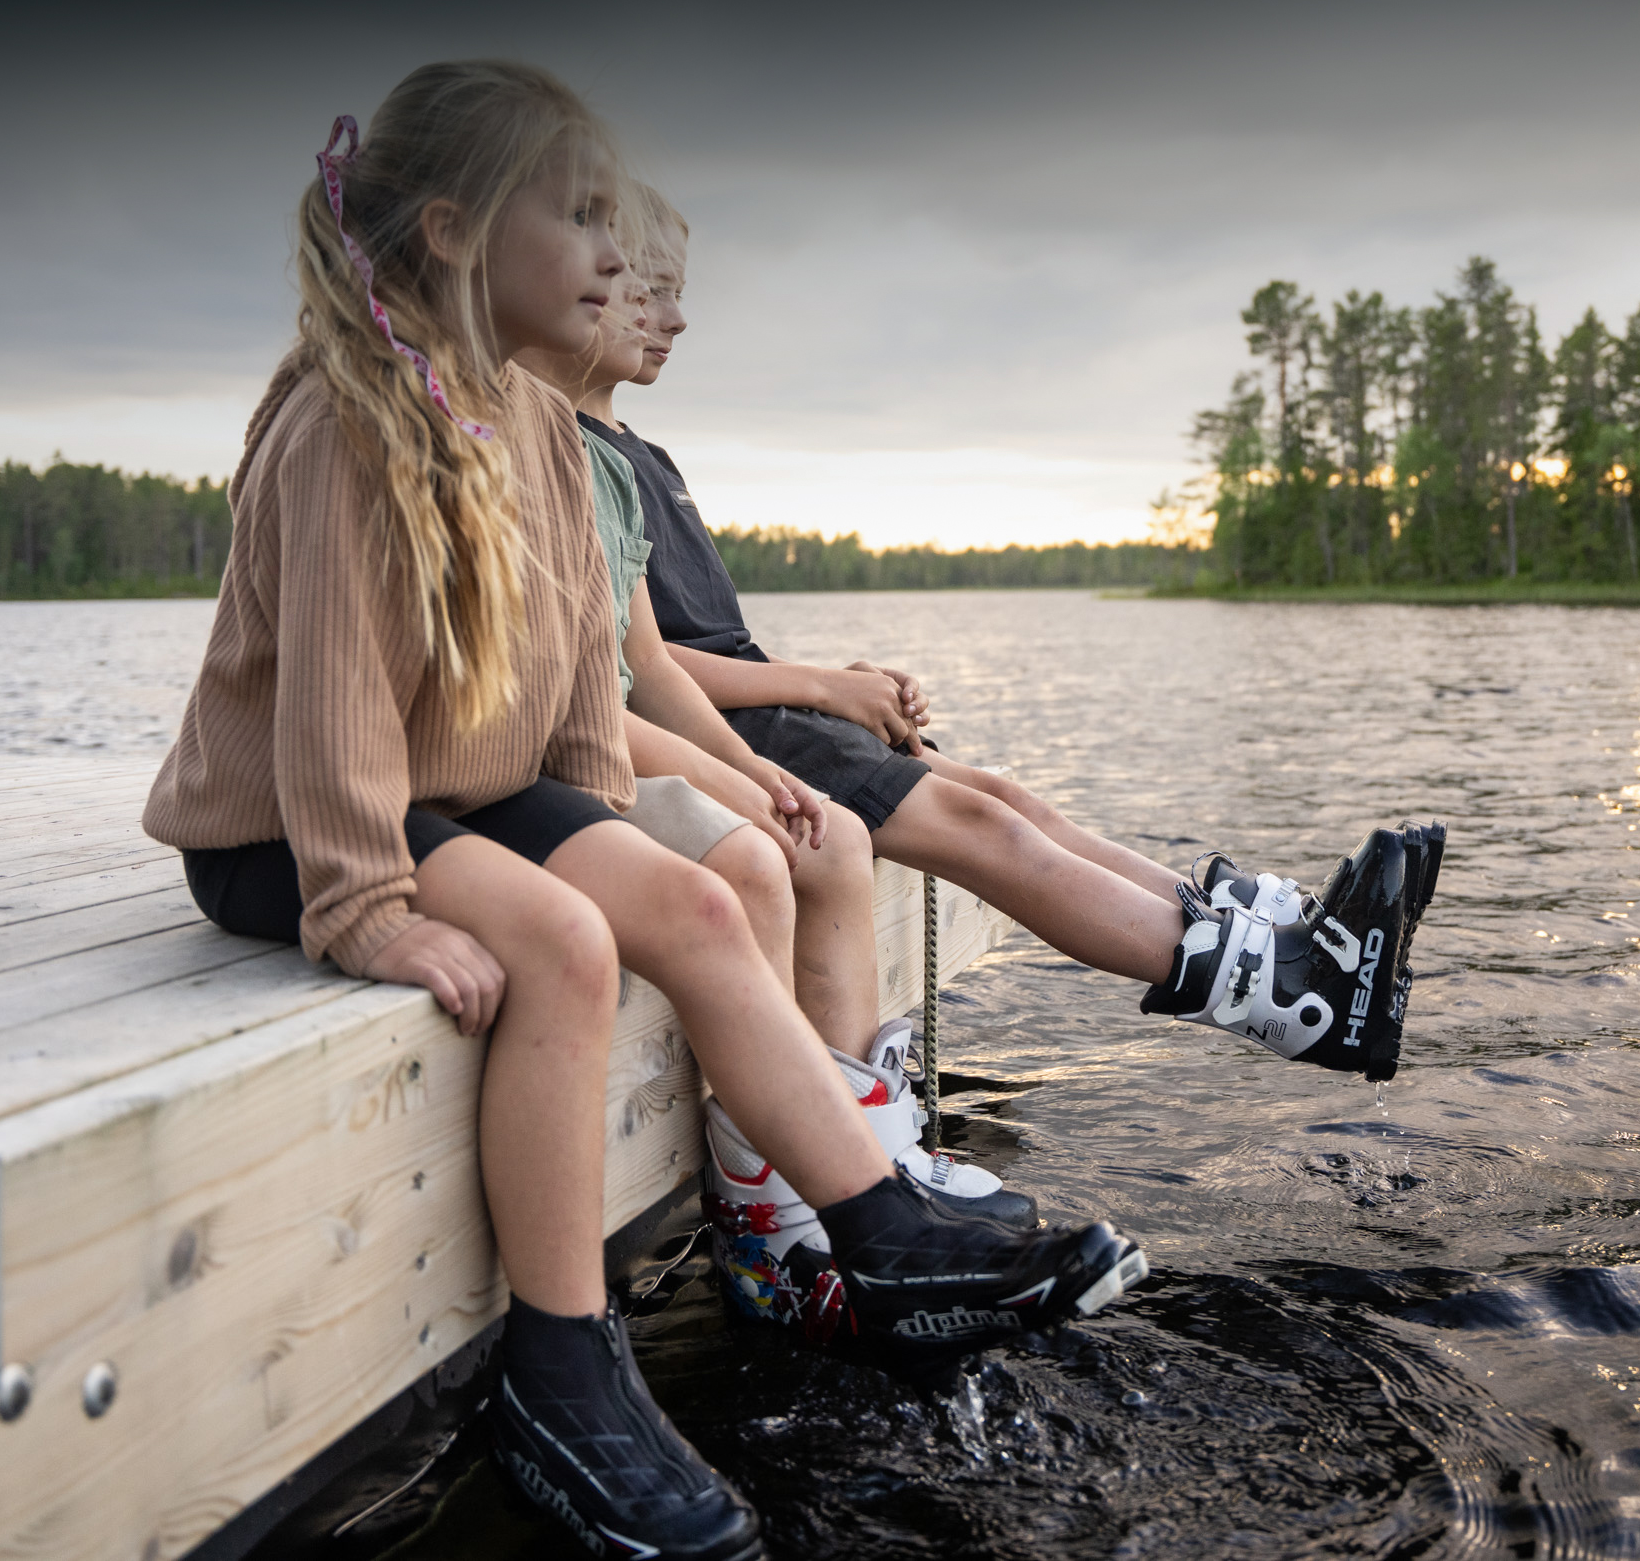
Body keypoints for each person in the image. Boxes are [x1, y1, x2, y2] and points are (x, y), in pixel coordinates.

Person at [142, 61, 1144, 1561]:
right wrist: (366, 909)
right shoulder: (347, 421)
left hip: (455, 783)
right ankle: (560, 1369)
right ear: (454, 232)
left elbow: (570, 689)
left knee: (688, 898)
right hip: (292, 823)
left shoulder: (547, 429)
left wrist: (611, 836)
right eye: (582, 215)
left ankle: (886, 1237)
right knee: (562, 941)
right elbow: (333, 704)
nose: (618, 255)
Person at [594, 186, 1444, 1102]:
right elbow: (640, 666)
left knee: (1008, 797)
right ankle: (1284, 993)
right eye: (649, 289)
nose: (673, 316)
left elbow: (701, 640)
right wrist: (823, 690)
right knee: (985, 827)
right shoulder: (575, 454)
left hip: (759, 707)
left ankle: (1272, 937)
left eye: (676, 291)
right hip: (727, 734)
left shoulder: (641, 454)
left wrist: (837, 682)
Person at [515, 253, 1032, 1246]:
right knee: (783, 854)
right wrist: (773, 737)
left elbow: (644, 663)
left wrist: (753, 767)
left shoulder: (614, 465)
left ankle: (856, 1169)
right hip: (549, 760)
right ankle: (799, 1205)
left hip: (610, 736)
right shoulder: (532, 445)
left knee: (841, 828)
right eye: (638, 287)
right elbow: (588, 697)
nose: (662, 313)